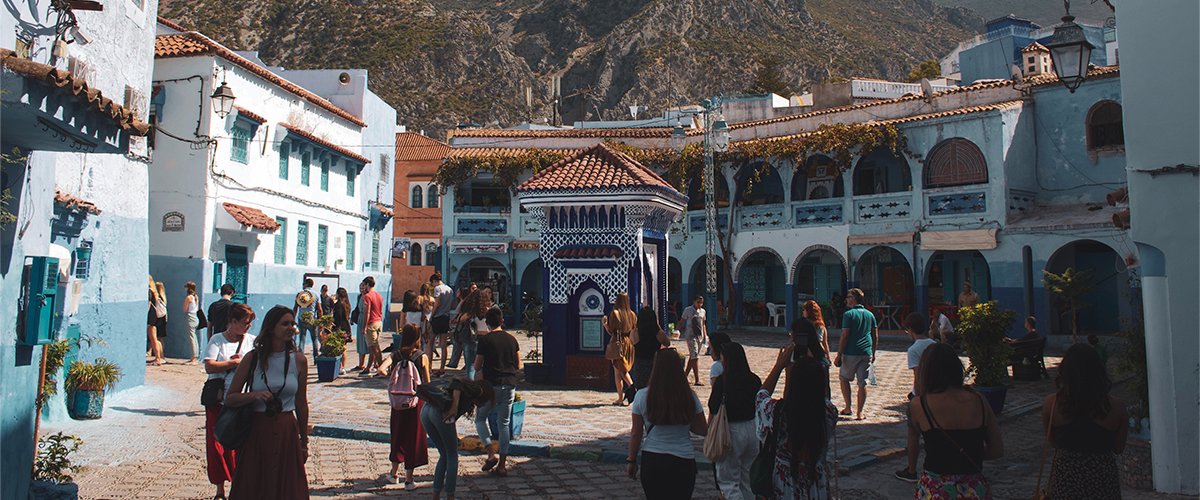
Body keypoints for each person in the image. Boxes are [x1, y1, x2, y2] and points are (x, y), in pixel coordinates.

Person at [224, 305, 310, 499]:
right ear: (271, 328)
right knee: (256, 485)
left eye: (292, 324)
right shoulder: (253, 359)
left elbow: (301, 403)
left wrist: (303, 442)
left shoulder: (299, 361)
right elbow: (231, 397)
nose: (290, 328)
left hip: (287, 430)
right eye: (285, 324)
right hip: (257, 430)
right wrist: (255, 395)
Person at [909, 343, 1003, 498]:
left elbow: (913, 438)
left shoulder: (919, 405)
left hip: (936, 490)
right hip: (973, 489)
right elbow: (997, 450)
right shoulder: (979, 400)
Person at [1043, 344, 1127, 499]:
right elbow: (1118, 448)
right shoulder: (1117, 407)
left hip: (1066, 480)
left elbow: (1053, 441)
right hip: (1102, 480)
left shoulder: (1051, 404)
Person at [757, 345, 838, 498]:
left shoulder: (778, 411)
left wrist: (780, 366)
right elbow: (823, 395)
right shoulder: (828, 412)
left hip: (785, 480)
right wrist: (817, 367)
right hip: (815, 479)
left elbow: (761, 395)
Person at [627, 349, 708, 499]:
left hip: (653, 458)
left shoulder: (642, 396)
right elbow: (702, 429)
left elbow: (636, 434)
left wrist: (631, 460)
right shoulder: (690, 396)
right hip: (683, 459)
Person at [202, 303, 256, 499]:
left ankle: (238, 486)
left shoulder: (252, 342)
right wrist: (234, 363)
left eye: (250, 324)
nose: (247, 327)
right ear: (232, 322)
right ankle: (219, 489)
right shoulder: (217, 340)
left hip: (241, 400)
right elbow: (209, 366)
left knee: (239, 445)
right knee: (216, 445)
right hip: (217, 400)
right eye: (244, 323)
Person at [421, 378, 494, 500]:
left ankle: (436, 495)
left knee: (444, 454)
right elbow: (457, 383)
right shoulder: (478, 390)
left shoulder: (468, 396)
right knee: (452, 456)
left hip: (426, 411)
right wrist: (454, 407)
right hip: (439, 413)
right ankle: (450, 496)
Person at [709, 343, 762, 500]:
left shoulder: (722, 381)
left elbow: (713, 406)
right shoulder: (754, 380)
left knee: (728, 481)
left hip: (731, 430)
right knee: (747, 478)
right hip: (752, 429)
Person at [473, 307, 521, 477]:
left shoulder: (485, 340)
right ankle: (502, 464)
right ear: (502, 321)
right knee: (504, 423)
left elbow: (477, 365)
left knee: (480, 418)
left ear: (487, 323)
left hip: (490, 386)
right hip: (509, 384)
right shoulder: (512, 339)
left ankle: (490, 452)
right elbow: (518, 364)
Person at [385, 324, 430, 490]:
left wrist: (394, 380)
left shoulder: (395, 355)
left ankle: (394, 473)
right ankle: (409, 479)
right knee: (413, 437)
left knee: (397, 434)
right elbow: (427, 383)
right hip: (416, 402)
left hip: (398, 402)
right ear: (417, 338)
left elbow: (382, 369)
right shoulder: (421, 357)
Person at [895, 312, 936, 483]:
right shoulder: (935, 345)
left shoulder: (914, 349)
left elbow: (917, 377)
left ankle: (911, 470)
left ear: (910, 330)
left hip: (921, 395)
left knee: (913, 434)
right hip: (937, 393)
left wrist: (917, 398)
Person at [836, 288, 877, 420]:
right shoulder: (870, 314)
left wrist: (839, 353)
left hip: (851, 352)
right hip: (866, 351)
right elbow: (875, 335)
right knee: (862, 383)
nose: (846, 299)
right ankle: (860, 412)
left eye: (848, 297)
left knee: (844, 378)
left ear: (854, 298)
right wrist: (873, 352)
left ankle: (848, 407)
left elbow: (845, 334)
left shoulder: (849, 314)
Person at [603, 292, 637, 406]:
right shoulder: (632, 314)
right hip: (629, 343)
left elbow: (612, 332)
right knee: (618, 371)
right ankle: (620, 398)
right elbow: (633, 329)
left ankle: (632, 389)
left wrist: (605, 324)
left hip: (619, 344)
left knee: (621, 371)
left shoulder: (615, 314)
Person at [632, 307, 668, 390]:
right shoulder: (658, 333)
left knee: (641, 387)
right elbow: (667, 343)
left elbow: (632, 342)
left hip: (640, 363)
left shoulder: (637, 332)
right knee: (655, 387)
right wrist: (658, 326)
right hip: (654, 362)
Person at [447, 290, 481, 379]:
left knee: (470, 366)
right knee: (478, 367)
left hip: (469, 338)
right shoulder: (484, 311)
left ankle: (471, 385)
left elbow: (461, 319)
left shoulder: (469, 312)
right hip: (478, 338)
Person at [679, 296, 709, 386]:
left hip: (699, 337)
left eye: (701, 303)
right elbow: (682, 321)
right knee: (695, 356)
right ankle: (697, 379)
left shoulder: (703, 311)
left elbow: (703, 324)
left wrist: (705, 335)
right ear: (694, 301)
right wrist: (677, 330)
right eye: (698, 302)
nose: (699, 304)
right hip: (690, 336)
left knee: (693, 357)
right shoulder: (688, 310)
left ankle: (684, 377)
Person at [429, 273, 455, 369]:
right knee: (443, 344)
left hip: (437, 317)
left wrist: (432, 315)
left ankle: (429, 366)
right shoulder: (449, 289)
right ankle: (442, 368)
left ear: (434, 281)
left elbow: (437, 303)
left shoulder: (437, 289)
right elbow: (452, 304)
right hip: (446, 316)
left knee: (430, 342)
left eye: (432, 283)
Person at [360, 277, 385, 376]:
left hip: (372, 323)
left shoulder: (368, 296)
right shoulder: (379, 295)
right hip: (379, 322)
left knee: (375, 347)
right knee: (373, 347)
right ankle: (368, 367)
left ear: (367, 285)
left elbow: (367, 311)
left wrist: (365, 326)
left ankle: (381, 367)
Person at [294, 278, 320, 359]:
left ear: (306, 284)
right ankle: (316, 357)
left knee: (302, 339)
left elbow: (295, 308)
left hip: (301, 319)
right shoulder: (316, 294)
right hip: (312, 319)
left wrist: (293, 318)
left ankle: (301, 357)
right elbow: (319, 309)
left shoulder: (300, 294)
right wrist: (320, 320)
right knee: (314, 339)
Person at [802, 300, 832, 365]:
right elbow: (825, 343)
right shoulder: (821, 325)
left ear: (808, 312)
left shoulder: (804, 325)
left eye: (804, 310)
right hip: (820, 354)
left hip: (809, 355)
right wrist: (828, 357)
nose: (803, 312)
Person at [333, 287, 353, 376]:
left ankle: (340, 366)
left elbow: (337, 317)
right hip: (346, 327)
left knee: (340, 348)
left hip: (340, 327)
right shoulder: (347, 304)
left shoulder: (338, 305)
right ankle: (342, 367)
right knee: (343, 348)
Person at [183, 281, 202, 365]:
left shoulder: (189, 297)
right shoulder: (195, 296)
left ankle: (194, 358)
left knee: (192, 338)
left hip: (191, 317)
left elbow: (185, 309)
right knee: (194, 337)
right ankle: (195, 356)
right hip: (195, 317)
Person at [147, 288, 163, 366]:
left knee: (153, 339)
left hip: (151, 319)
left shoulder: (149, 292)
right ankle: (159, 357)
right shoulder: (154, 292)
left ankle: (158, 358)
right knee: (154, 339)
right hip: (154, 318)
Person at [154, 281, 169, 357]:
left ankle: (160, 355)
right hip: (163, 318)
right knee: (160, 338)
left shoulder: (157, 297)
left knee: (156, 338)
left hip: (158, 318)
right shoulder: (163, 297)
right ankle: (161, 355)